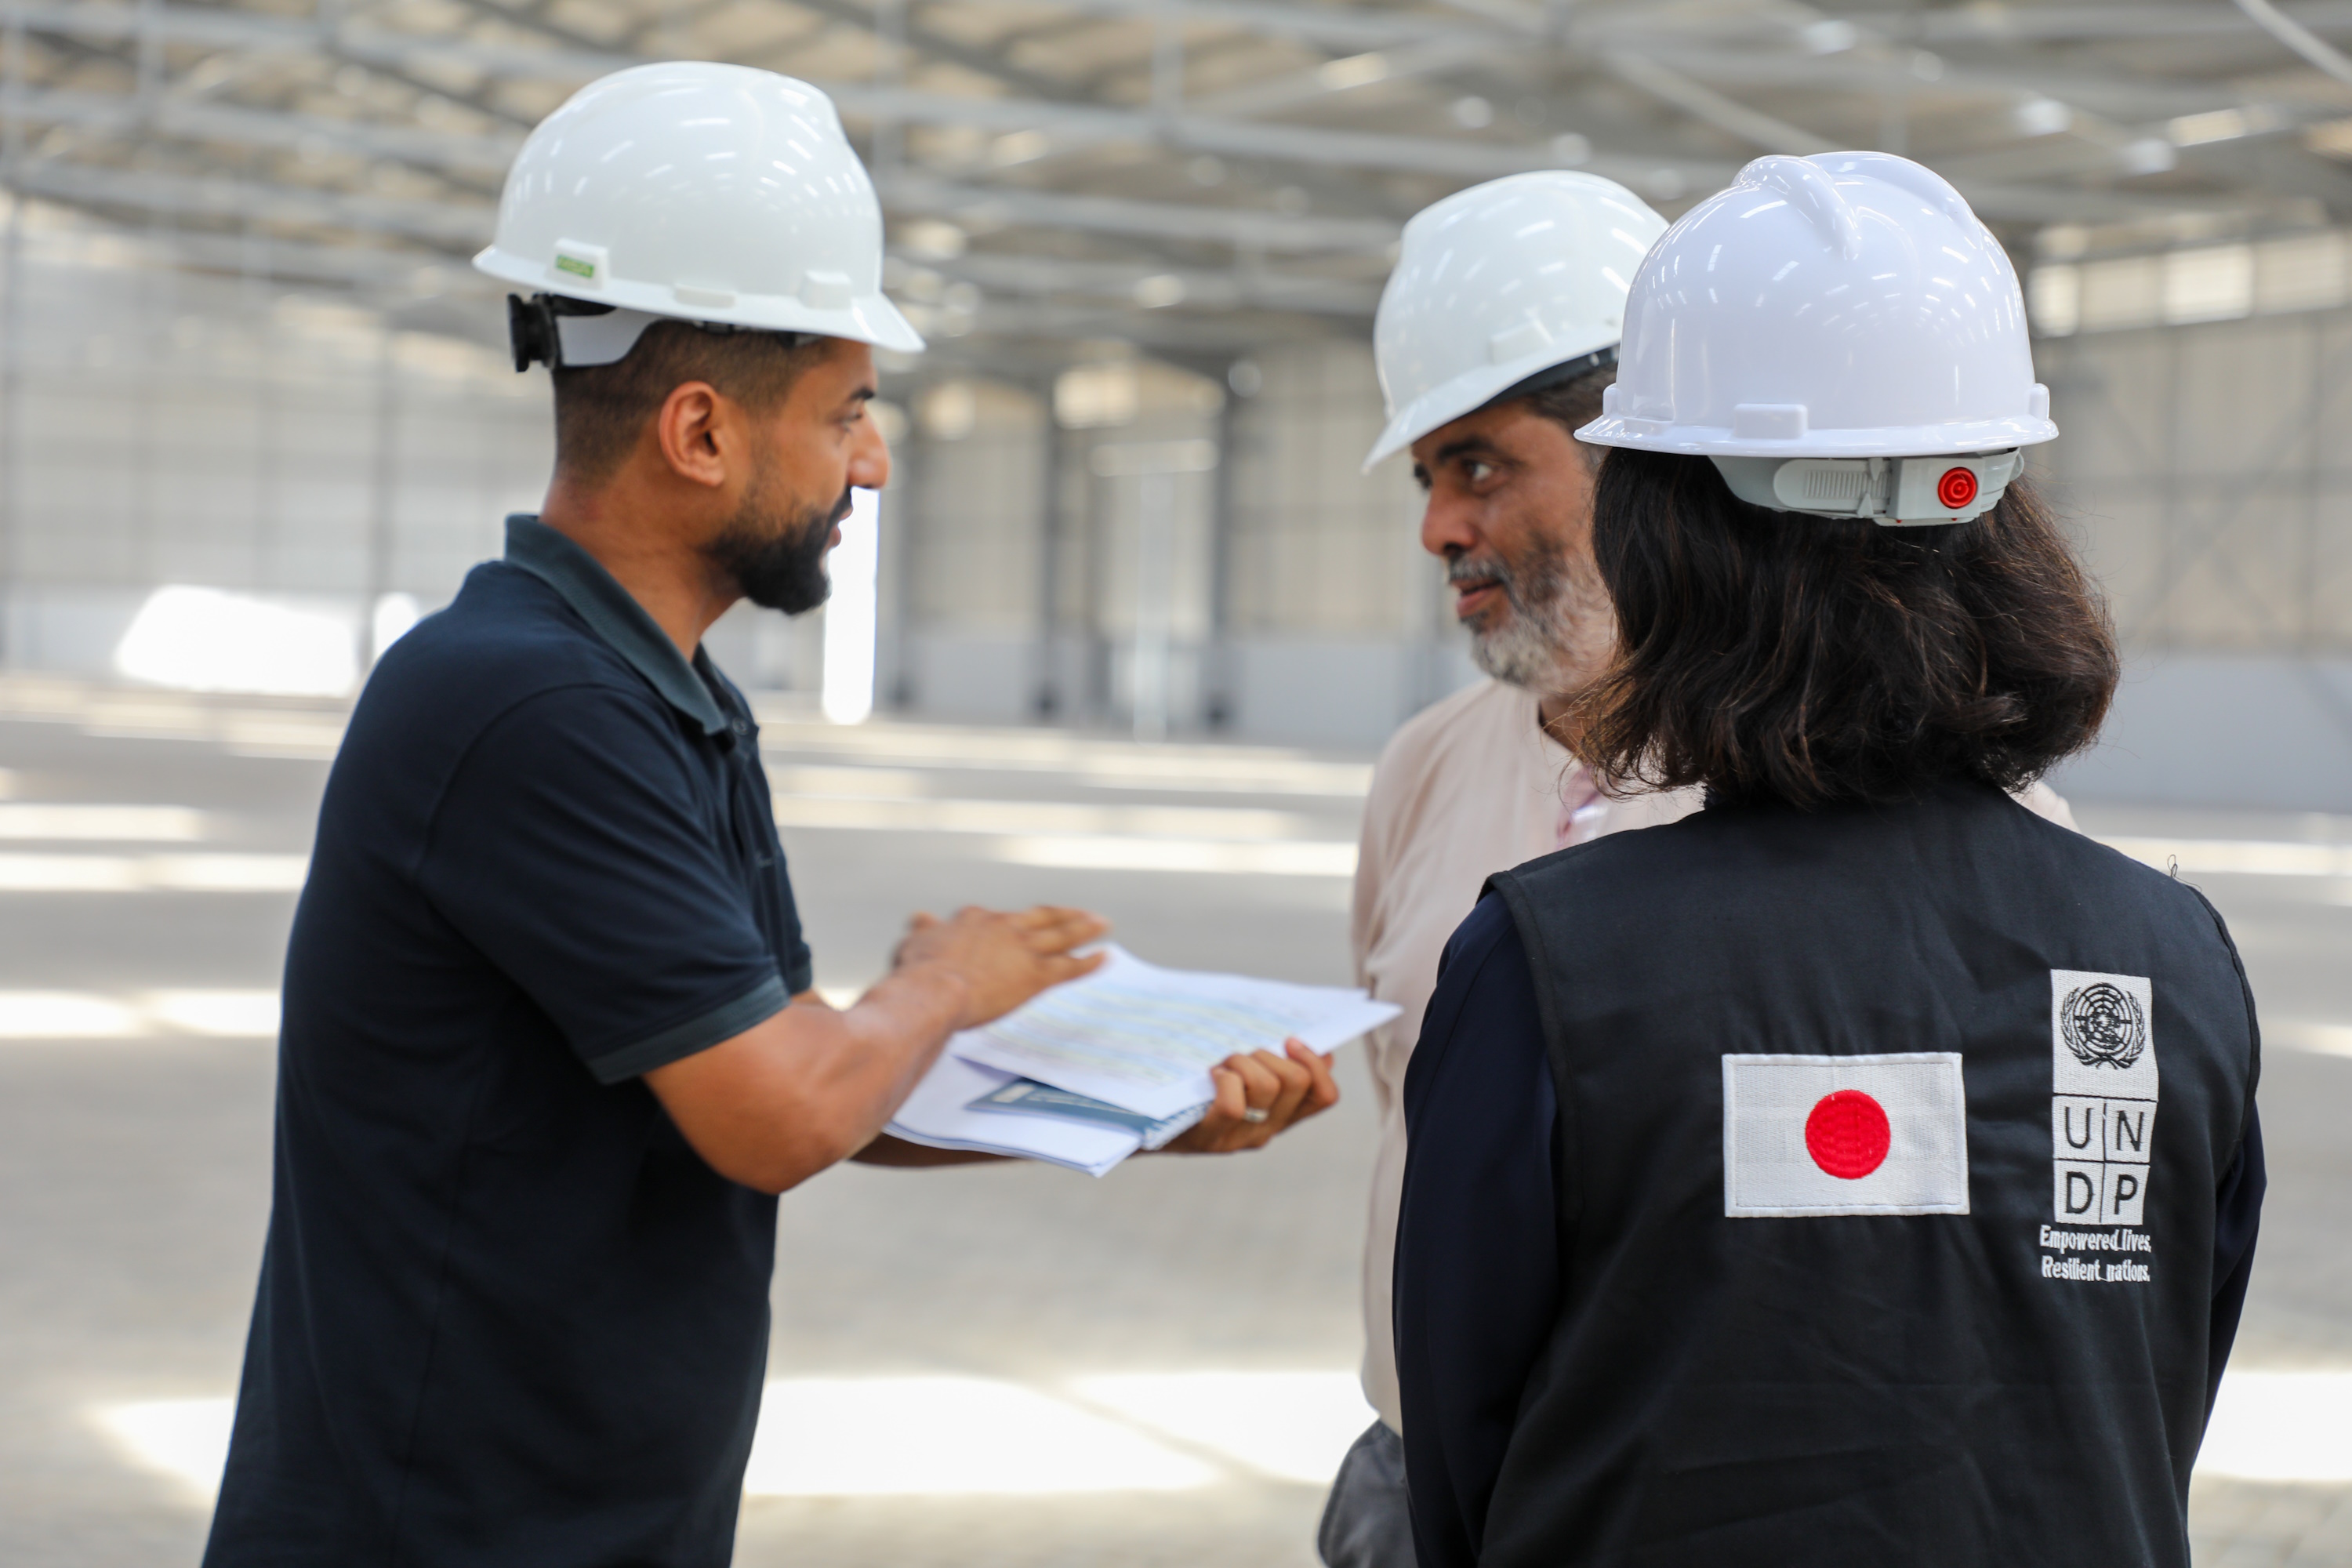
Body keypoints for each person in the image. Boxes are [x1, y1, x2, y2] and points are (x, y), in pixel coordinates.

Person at [201, 64, 1334, 1568]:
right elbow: (788, 1114)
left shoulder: (659, 695)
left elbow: (786, 1074)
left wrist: (1127, 1117)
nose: (872, 456)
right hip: (440, 1530)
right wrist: (947, 984)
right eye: (848, 410)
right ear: (699, 432)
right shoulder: (529, 707)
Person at [1392, 152, 2263, 1568]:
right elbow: (2160, 1399)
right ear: (2006, 523)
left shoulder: (1551, 969)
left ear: (1664, 539)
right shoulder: (2171, 963)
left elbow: (1465, 1462)